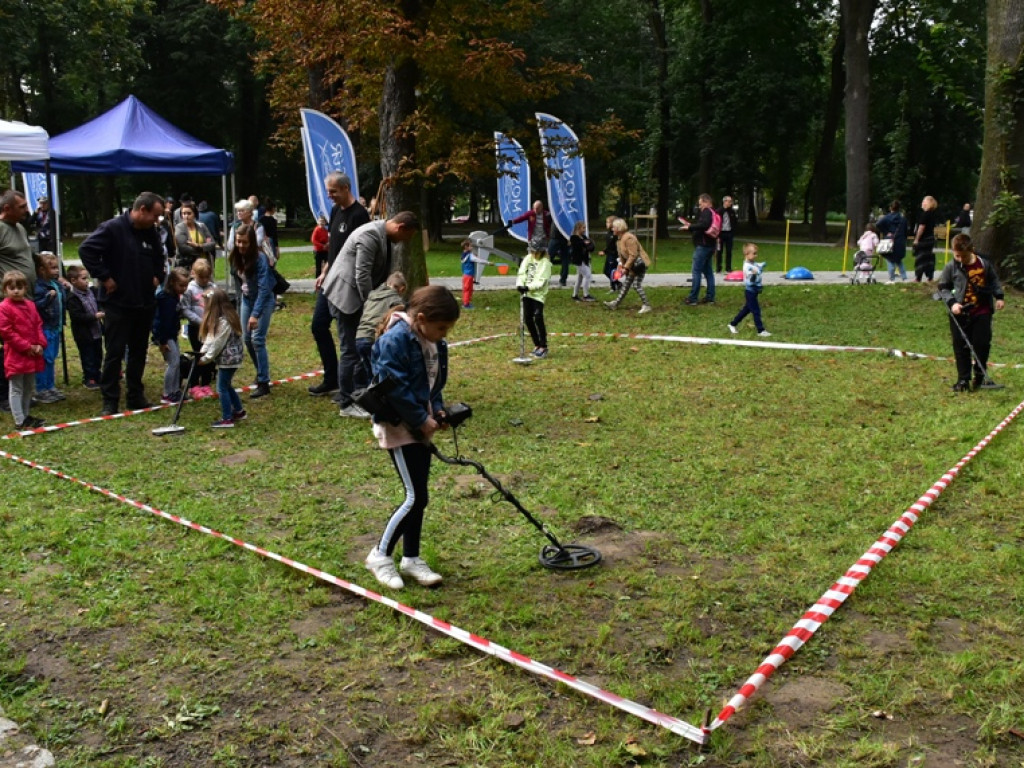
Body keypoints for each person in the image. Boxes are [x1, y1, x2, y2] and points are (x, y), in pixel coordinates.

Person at [364, 284, 461, 590]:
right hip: (399, 426)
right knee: (414, 496)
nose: (444, 333)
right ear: (420, 318)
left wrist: (438, 412)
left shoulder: (431, 342)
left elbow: (431, 382)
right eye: (441, 327)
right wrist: (421, 420)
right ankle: (379, 556)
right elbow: (394, 387)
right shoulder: (396, 340)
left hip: (419, 425)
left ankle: (411, 558)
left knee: (420, 496)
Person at [321, 211, 420, 417]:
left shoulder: (383, 236)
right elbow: (362, 274)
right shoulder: (370, 235)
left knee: (358, 350)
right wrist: (371, 303)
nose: (404, 242)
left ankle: (362, 396)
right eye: (407, 237)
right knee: (350, 349)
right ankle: (347, 403)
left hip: (355, 298)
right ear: (401, 228)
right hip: (345, 298)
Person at [79, 192, 166, 415]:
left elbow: (160, 256)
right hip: (118, 303)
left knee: (139, 350)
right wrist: (104, 276)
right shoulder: (111, 228)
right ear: (142, 210)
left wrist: (158, 274)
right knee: (115, 352)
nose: (157, 221)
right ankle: (110, 399)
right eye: (155, 216)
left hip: (144, 301)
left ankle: (135, 395)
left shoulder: (150, 232)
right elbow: (86, 250)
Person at [308, 172, 370, 398]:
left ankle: (353, 384)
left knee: (349, 337)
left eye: (333, 191)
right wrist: (324, 272)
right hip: (330, 281)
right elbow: (333, 247)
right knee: (318, 326)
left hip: (347, 285)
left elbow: (361, 254)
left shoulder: (360, 216)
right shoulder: (334, 211)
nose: (329, 196)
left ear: (346, 188)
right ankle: (331, 377)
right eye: (328, 191)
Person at [936, 234, 1005, 392]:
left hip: (982, 310)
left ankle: (980, 377)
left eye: (963, 256)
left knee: (982, 344)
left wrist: (999, 297)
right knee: (961, 346)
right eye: (956, 255)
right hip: (959, 313)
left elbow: (994, 281)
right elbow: (943, 288)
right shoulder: (951, 266)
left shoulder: (984, 264)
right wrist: (953, 303)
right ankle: (963, 380)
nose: (959, 258)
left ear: (971, 250)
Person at [229, 223, 276, 399]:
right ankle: (260, 371)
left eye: (245, 243)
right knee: (246, 338)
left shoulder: (260, 259)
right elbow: (239, 285)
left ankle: (264, 382)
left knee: (257, 339)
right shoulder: (235, 257)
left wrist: (255, 314)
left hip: (263, 300)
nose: (241, 245)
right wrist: (239, 307)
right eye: (238, 241)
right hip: (246, 299)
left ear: (251, 243)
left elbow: (264, 288)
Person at [0, 190, 36, 414]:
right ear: (7, 209)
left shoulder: (20, 227)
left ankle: (21, 393)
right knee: (7, 347)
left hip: (26, 299)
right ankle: (5, 395)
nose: (26, 210)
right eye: (21, 206)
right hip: (6, 302)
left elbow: (27, 256)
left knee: (24, 343)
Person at [0, 270, 46, 430]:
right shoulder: (4, 308)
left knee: (28, 386)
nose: (16, 291)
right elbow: (6, 332)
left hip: (33, 354)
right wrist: (27, 347)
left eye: (19, 287)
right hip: (16, 354)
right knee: (16, 387)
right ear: (5, 290)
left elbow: (38, 324)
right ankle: (19, 420)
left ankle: (26, 416)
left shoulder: (31, 305)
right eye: (11, 288)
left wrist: (40, 343)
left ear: (25, 288)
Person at [198, 288, 246, 428]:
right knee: (227, 385)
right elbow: (210, 339)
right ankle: (239, 411)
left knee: (221, 388)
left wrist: (206, 359)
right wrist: (201, 353)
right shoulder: (218, 320)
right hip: (229, 359)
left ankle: (227, 419)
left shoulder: (224, 322)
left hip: (229, 359)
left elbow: (217, 343)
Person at [356, 271, 407, 378]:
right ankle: (372, 392)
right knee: (376, 374)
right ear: (401, 289)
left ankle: (360, 389)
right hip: (373, 339)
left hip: (360, 336)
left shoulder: (372, 295)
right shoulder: (395, 300)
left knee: (365, 368)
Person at [31, 252, 65, 403]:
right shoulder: (40, 287)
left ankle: (50, 386)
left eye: (57, 267)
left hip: (55, 327)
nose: (56, 271)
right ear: (41, 270)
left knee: (51, 358)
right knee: (44, 359)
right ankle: (41, 389)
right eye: (52, 268)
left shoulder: (56, 284)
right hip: (45, 328)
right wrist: (47, 297)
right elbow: (36, 306)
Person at [180, 258, 217, 397]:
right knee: (197, 354)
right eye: (201, 277)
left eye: (207, 277)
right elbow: (185, 309)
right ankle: (194, 385)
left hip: (210, 328)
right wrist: (199, 321)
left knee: (208, 355)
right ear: (193, 273)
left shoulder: (212, 287)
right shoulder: (189, 289)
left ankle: (206, 383)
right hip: (196, 328)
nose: (204, 280)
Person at [152, 267, 189, 404]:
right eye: (181, 285)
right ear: (172, 282)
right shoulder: (165, 299)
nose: (184, 289)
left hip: (172, 334)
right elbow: (162, 322)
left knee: (177, 362)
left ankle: (175, 391)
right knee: (173, 363)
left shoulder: (174, 297)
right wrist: (162, 341)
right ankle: (167, 393)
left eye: (186, 285)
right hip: (165, 337)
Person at [65, 265, 104, 390]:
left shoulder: (92, 292)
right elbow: (77, 316)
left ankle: (97, 374)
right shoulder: (72, 298)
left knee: (98, 354)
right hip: (84, 334)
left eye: (87, 278)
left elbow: (99, 304)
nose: (87, 281)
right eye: (83, 278)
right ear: (73, 281)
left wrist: (101, 312)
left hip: (96, 331)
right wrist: (94, 316)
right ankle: (89, 377)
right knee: (88, 356)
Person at [603, 218, 652, 314]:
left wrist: (626, 268)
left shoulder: (629, 238)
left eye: (614, 227)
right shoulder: (619, 240)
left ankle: (647, 305)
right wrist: (621, 266)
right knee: (626, 285)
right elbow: (622, 256)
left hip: (639, 264)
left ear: (618, 228)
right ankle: (615, 304)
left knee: (636, 285)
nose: (612, 229)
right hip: (632, 265)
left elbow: (633, 255)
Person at [515, 238, 552, 357]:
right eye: (532, 250)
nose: (533, 253)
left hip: (538, 295)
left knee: (538, 317)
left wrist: (529, 287)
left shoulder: (546, 263)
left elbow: (541, 281)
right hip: (527, 294)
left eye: (535, 251)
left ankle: (543, 345)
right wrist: (520, 285)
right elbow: (522, 273)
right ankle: (536, 344)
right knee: (528, 319)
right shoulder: (527, 258)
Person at [727, 243, 770, 337]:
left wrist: (761, 266)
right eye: (754, 253)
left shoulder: (752, 263)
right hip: (750, 291)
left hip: (754, 291)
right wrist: (754, 274)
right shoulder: (747, 266)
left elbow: (757, 266)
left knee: (746, 309)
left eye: (756, 253)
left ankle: (732, 324)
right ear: (747, 254)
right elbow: (751, 278)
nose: (756, 255)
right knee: (756, 311)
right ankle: (760, 330)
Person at [682, 194, 717, 305]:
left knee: (696, 271)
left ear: (706, 202)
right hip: (710, 246)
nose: (699, 205)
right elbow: (702, 226)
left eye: (700, 203)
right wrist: (691, 227)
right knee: (708, 272)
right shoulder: (713, 212)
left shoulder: (706, 211)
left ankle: (693, 298)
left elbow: (704, 225)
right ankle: (710, 297)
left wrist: (690, 227)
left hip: (703, 246)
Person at [174, 201, 216, 271]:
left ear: (195, 214)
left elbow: (212, 243)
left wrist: (199, 246)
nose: (186, 216)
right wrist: (202, 250)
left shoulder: (202, 226)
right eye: (184, 213)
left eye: (189, 213)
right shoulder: (179, 228)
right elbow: (183, 248)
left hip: (203, 267)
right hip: (187, 267)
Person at [876, 200, 908, 283]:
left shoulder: (887, 217)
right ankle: (904, 277)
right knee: (899, 260)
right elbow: (905, 231)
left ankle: (891, 278)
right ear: (899, 208)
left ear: (890, 208)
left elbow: (878, 224)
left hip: (890, 241)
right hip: (900, 241)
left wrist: (886, 232)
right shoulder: (903, 219)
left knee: (890, 259)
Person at [912, 195, 940, 282]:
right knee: (928, 258)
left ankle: (918, 277)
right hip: (930, 238)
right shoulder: (932, 214)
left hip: (924, 239)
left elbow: (921, 227)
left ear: (928, 203)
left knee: (920, 258)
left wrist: (917, 239)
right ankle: (930, 276)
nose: (922, 203)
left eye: (924, 201)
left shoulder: (925, 214)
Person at [569, 221, 596, 302]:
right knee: (587, 275)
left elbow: (588, 245)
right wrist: (584, 243)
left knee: (580, 278)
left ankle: (575, 295)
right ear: (578, 228)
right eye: (583, 228)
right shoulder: (574, 237)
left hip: (584, 259)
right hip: (578, 260)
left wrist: (588, 245)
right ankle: (586, 295)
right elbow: (579, 245)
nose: (584, 230)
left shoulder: (584, 237)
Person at [716, 195, 737, 273]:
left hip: (729, 233)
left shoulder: (731, 211)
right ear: (724, 201)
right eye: (729, 201)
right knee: (719, 251)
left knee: (729, 251)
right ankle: (718, 267)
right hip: (720, 234)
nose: (730, 203)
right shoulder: (719, 211)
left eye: (731, 201)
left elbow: (734, 222)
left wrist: (733, 231)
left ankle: (728, 267)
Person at [600, 215, 620, 292]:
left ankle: (613, 287)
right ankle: (617, 283)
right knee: (606, 271)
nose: (606, 224)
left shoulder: (615, 234)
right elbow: (608, 245)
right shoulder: (608, 233)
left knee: (612, 271)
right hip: (609, 254)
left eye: (608, 222)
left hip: (614, 255)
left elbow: (613, 245)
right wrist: (604, 251)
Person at [459, 239, 475, 308]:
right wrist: (488, 262)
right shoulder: (470, 256)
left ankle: (467, 302)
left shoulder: (463, 255)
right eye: (471, 246)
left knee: (468, 289)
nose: (472, 248)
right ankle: (466, 304)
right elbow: (478, 260)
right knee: (467, 290)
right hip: (468, 275)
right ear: (466, 247)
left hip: (466, 275)